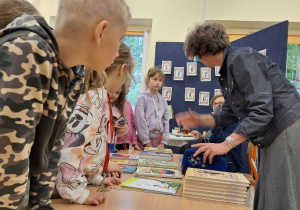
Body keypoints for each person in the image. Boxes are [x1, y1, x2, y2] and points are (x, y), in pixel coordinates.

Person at [0, 0, 131, 209]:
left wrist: (41, 204)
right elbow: (8, 159)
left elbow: (51, 148)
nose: (117, 53)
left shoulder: (71, 71)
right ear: (101, 31)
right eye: (120, 39)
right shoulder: (28, 51)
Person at [176, 22, 300, 210]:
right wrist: (201, 120)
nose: (198, 60)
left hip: (285, 129)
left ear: (203, 49)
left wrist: (226, 145)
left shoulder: (241, 59)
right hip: (273, 133)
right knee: (268, 193)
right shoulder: (229, 69)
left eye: (196, 56)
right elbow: (229, 115)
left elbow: (262, 111)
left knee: (280, 195)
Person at [56, 42, 134, 205]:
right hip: (63, 191)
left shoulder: (100, 94)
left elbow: (92, 146)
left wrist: (95, 178)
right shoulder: (91, 96)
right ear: (122, 69)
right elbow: (71, 148)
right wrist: (79, 194)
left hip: (76, 185)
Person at [179, 95, 243, 172]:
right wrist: (201, 137)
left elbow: (221, 142)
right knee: (186, 148)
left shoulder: (234, 122)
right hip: (215, 158)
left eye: (221, 103)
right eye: (215, 104)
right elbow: (211, 141)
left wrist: (216, 122)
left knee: (186, 149)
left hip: (227, 164)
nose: (217, 106)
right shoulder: (217, 121)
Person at [135, 67, 169, 149]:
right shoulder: (142, 99)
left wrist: (163, 142)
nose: (158, 82)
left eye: (160, 80)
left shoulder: (163, 101)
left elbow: (166, 121)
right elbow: (140, 120)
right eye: (155, 79)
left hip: (159, 142)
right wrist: (146, 142)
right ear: (147, 79)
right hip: (144, 141)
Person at [115, 79, 142, 151]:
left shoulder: (128, 104)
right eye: (127, 86)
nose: (128, 90)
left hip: (126, 144)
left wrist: (134, 143)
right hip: (114, 143)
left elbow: (132, 125)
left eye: (129, 87)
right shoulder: (112, 103)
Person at [107, 83, 129, 152]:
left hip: (111, 144)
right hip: (99, 145)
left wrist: (124, 129)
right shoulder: (99, 108)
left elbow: (116, 132)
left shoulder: (117, 110)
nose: (113, 95)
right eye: (112, 91)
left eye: (117, 93)